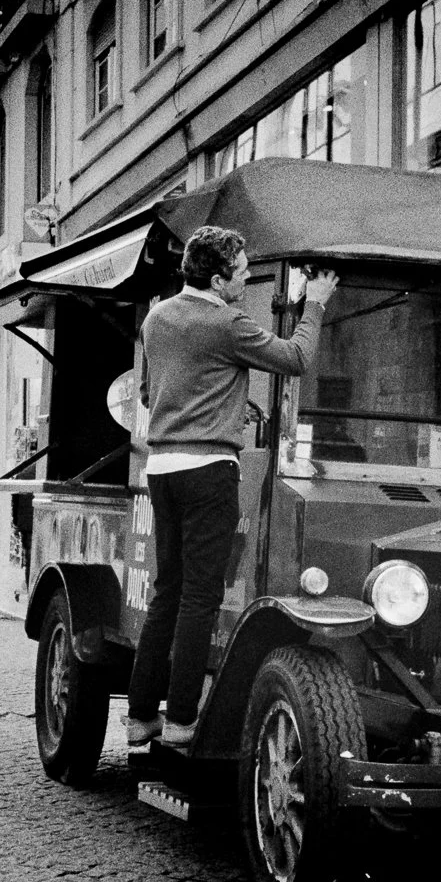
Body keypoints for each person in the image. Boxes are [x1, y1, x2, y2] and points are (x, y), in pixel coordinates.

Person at [126, 227, 336, 749]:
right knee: (200, 596)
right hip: (208, 470)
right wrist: (316, 304)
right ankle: (179, 721)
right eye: (241, 270)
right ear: (218, 279)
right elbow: (295, 358)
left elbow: (156, 392)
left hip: (163, 466)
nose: (246, 275)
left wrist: (220, 402)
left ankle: (139, 718)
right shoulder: (226, 322)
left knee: (167, 593)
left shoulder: (157, 317)